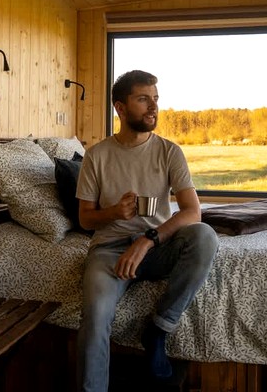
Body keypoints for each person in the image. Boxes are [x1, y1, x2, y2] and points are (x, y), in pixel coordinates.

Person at [75, 70, 219, 391]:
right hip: (110, 251)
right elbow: (85, 219)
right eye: (143, 99)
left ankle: (158, 329)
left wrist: (147, 240)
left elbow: (192, 212)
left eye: (155, 99)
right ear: (121, 108)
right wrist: (114, 212)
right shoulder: (97, 156)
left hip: (156, 246)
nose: (153, 107)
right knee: (95, 318)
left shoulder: (169, 151)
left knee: (204, 237)